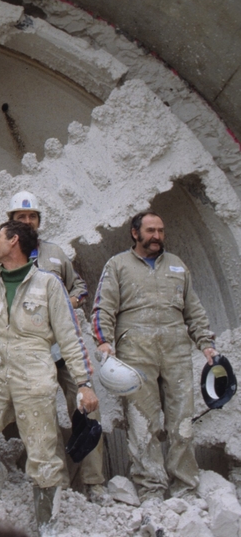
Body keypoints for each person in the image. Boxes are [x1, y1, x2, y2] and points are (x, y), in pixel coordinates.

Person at [0, 221, 97, 529]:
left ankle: (48, 524)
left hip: (33, 376)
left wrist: (84, 384)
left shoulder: (47, 285)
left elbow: (70, 337)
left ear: (14, 241)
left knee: (43, 457)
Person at [92, 211, 217, 502]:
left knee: (182, 422)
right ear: (135, 233)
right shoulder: (118, 265)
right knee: (142, 424)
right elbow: (103, 308)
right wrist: (104, 343)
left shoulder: (177, 266)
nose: (157, 236)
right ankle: (151, 489)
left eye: (160, 231)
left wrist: (206, 344)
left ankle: (185, 486)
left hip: (176, 352)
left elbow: (193, 310)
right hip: (136, 353)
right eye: (150, 231)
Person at [7, 190, 105, 500]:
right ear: (10, 222)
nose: (27, 221)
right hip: (31, 354)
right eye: (21, 217)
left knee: (86, 410)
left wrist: (67, 302)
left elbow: (79, 287)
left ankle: (94, 482)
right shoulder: (4, 257)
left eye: (32, 217)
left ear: (38, 221)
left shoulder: (55, 253)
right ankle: (57, 484)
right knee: (42, 417)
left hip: (63, 350)